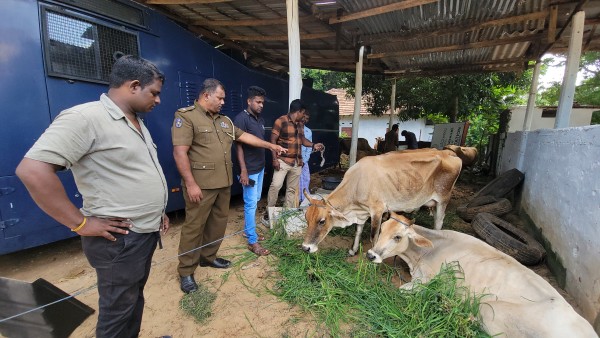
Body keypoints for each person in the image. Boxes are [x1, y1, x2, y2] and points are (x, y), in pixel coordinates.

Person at [15, 55, 169, 338]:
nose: (157, 101)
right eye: (154, 93)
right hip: (119, 241)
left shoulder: (135, 122)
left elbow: (130, 175)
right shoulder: (86, 117)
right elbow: (32, 171)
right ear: (134, 86)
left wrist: (158, 208)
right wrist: (82, 223)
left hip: (143, 233)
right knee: (117, 313)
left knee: (132, 299)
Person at [172, 78, 286, 294]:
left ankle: (208, 257)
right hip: (201, 186)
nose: (223, 102)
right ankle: (186, 271)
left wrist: (270, 145)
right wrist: (190, 184)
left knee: (217, 224)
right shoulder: (187, 117)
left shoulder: (224, 121)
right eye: (220, 98)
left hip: (223, 183)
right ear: (206, 95)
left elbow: (246, 138)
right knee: (194, 227)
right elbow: (180, 153)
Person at [263, 99, 324, 224]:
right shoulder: (281, 121)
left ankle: (287, 215)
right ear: (299, 111)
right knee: (276, 186)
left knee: (291, 189)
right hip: (283, 161)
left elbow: (302, 140)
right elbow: (272, 141)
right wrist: (274, 159)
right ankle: (268, 213)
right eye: (303, 113)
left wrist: (314, 145)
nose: (304, 116)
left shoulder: (300, 124)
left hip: (297, 162)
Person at [234, 86, 270, 256]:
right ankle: (252, 241)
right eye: (258, 102)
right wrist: (243, 171)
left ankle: (248, 231)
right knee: (250, 204)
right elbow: (239, 147)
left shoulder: (260, 120)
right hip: (249, 169)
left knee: (255, 200)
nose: (261, 105)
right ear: (249, 101)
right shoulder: (241, 119)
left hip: (260, 167)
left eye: (262, 102)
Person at [298, 110, 313, 203]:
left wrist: (305, 160)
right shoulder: (294, 128)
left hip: (305, 160)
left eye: (307, 119)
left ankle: (305, 199)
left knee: (306, 178)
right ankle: (298, 198)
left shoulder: (308, 131)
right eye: (303, 117)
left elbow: (309, 147)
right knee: (297, 180)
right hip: (295, 160)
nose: (305, 120)